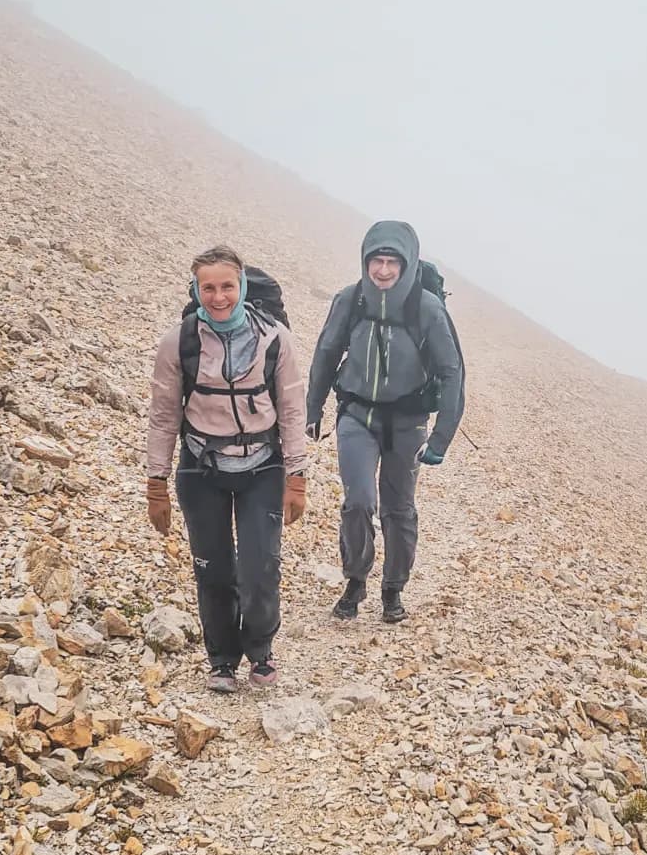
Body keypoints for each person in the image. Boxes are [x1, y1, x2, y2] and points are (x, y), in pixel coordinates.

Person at [146, 245, 308, 691]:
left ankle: (260, 652)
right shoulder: (179, 341)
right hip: (201, 468)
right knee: (212, 569)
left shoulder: (275, 339)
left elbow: (293, 410)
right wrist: (155, 482)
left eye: (227, 287)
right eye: (208, 288)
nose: (218, 297)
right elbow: (163, 414)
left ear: (242, 286)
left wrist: (297, 476)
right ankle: (221, 661)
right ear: (196, 290)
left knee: (260, 568)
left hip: (263, 467)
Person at [306, 220, 464, 624]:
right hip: (357, 415)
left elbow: (451, 373)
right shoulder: (350, 299)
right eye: (376, 259)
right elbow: (326, 353)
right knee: (358, 501)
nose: (383, 270)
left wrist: (442, 436)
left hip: (407, 422)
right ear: (365, 260)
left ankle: (393, 588)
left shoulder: (427, 307)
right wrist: (313, 409)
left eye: (393, 261)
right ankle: (355, 579)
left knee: (399, 508)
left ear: (408, 264)